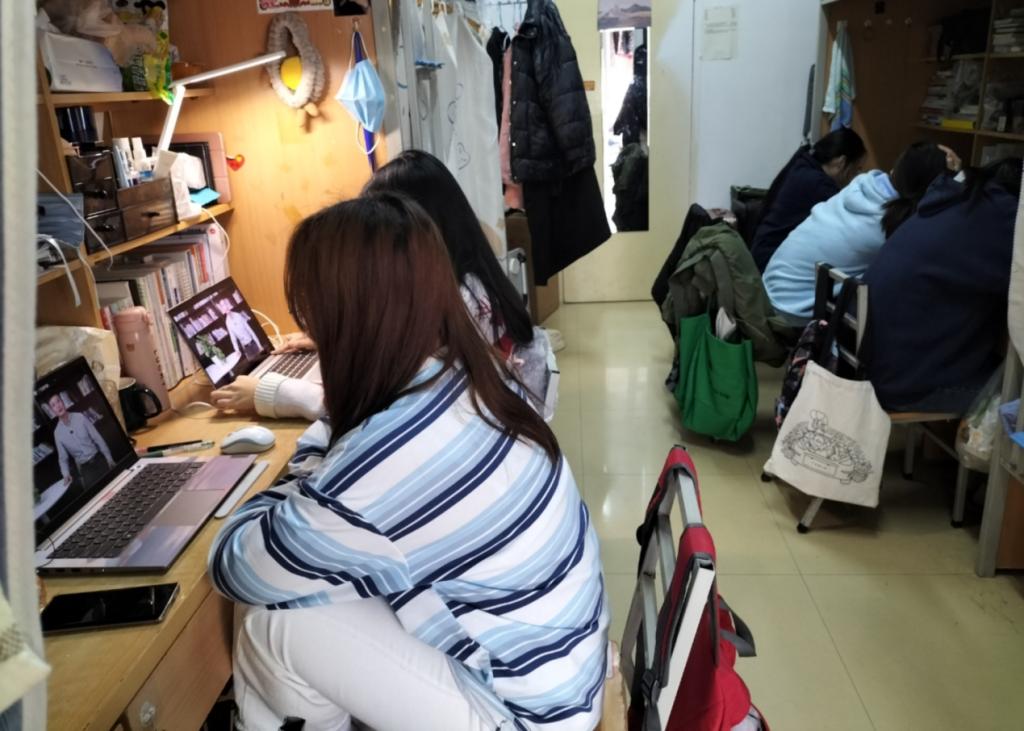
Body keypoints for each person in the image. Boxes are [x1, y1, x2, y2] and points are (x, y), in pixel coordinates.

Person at [209, 194, 608, 731]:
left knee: (272, 624)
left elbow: (236, 566)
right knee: (306, 588)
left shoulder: (386, 456)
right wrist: (322, 465)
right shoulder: (464, 375)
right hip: (565, 670)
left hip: (534, 716)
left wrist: (293, 483)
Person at [211, 150, 555, 422]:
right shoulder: (472, 280)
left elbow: (389, 409)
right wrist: (325, 338)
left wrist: (274, 393)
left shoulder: (460, 304)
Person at [864, 157, 1022, 414]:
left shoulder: (956, 201)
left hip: (879, 369)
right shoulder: (1006, 219)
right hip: (908, 385)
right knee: (1016, 394)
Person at [763, 141, 954, 325]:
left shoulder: (863, 185)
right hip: (790, 313)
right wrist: (957, 180)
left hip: (768, 292)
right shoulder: (886, 226)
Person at [750, 128, 867, 273]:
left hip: (762, 252)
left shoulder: (803, 164)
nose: (856, 176)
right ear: (841, 162)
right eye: (857, 169)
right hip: (770, 263)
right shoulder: (820, 185)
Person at [49, 394, 114, 487]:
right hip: (85, 468)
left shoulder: (80, 417)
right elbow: (63, 458)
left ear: (62, 402)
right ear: (52, 411)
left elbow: (97, 438)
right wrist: (66, 474)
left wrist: (108, 457)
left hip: (99, 458)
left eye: (58, 401)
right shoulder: (57, 433)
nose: (58, 406)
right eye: (53, 405)